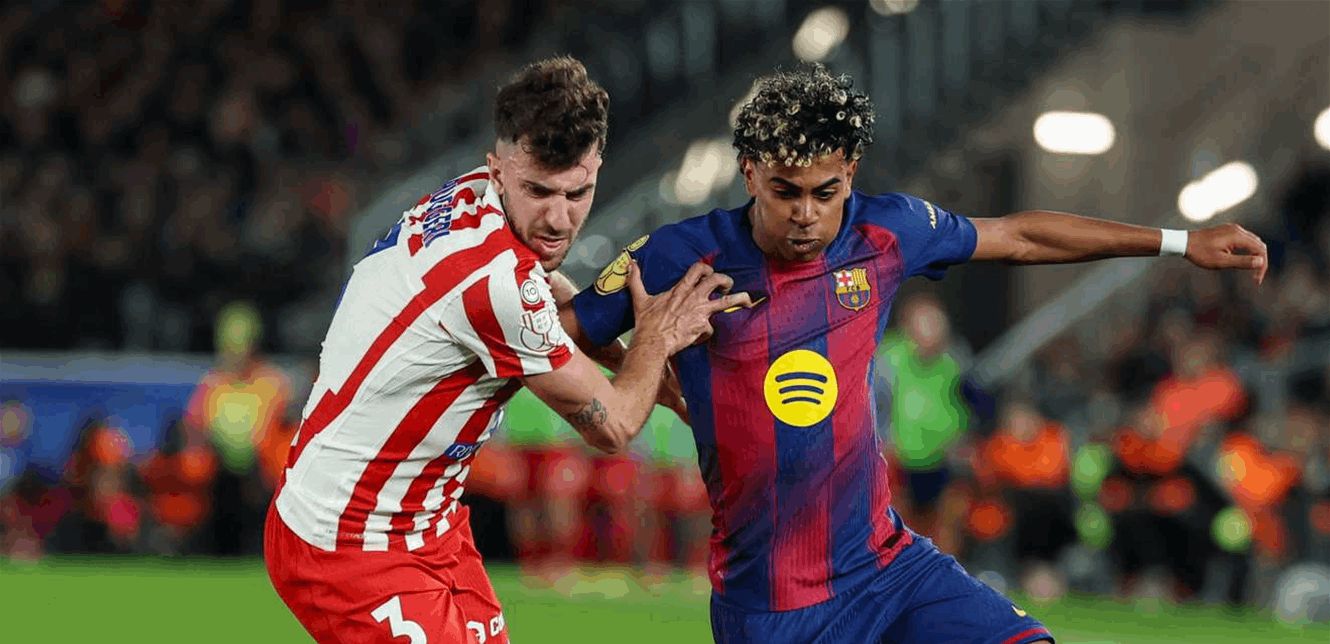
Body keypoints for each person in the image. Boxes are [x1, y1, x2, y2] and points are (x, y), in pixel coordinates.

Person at [564, 64, 1269, 643]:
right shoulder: (679, 255)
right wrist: (657, 375)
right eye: (785, 192)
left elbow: (1019, 236)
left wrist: (1180, 242)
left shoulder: (887, 232)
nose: (806, 214)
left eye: (825, 192)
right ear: (749, 172)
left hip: (889, 571)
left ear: (851, 171)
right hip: (769, 607)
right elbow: (571, 327)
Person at [264, 56, 748, 644]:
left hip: (427, 525)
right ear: (499, 168)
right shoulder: (490, 280)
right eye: (538, 191)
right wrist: (657, 337)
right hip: (347, 541)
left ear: (597, 167)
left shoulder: (475, 202)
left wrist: (639, 367)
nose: (558, 218)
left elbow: (542, 294)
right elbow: (615, 427)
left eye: (578, 192)